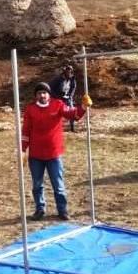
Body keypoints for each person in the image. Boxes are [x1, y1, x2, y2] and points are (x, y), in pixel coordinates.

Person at [21, 82, 91, 221]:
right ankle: (40, 210)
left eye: (44, 92)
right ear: (36, 96)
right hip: (36, 155)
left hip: (54, 154)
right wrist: (23, 149)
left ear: (49, 94)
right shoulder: (30, 109)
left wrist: (83, 106)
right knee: (37, 185)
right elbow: (26, 130)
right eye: (39, 93)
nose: (42, 95)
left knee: (58, 184)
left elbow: (73, 115)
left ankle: (62, 210)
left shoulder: (57, 104)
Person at [50, 64, 78, 132]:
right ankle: (53, 127)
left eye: (70, 72)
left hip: (67, 97)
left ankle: (72, 128)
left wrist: (70, 95)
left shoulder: (72, 79)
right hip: (58, 98)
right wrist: (56, 96)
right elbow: (50, 87)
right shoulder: (58, 79)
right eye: (68, 71)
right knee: (55, 113)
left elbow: (73, 87)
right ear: (64, 72)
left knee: (72, 111)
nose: (69, 73)